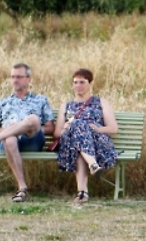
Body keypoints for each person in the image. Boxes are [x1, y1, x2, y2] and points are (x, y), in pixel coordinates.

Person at [0, 62, 55, 202]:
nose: (15, 80)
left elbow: (50, 128)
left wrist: (28, 126)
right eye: (12, 77)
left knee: (33, 119)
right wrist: (14, 130)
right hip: (8, 144)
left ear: (28, 79)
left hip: (32, 140)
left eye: (19, 77)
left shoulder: (40, 100)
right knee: (10, 138)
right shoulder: (1, 103)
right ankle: (22, 188)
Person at [54, 68, 119, 204]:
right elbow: (57, 133)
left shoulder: (100, 102)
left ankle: (82, 193)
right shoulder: (65, 105)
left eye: (82, 82)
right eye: (75, 82)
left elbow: (113, 128)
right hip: (70, 143)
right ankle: (93, 165)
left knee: (79, 139)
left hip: (97, 142)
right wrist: (66, 127)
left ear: (90, 84)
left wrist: (99, 128)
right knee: (78, 127)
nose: (78, 86)